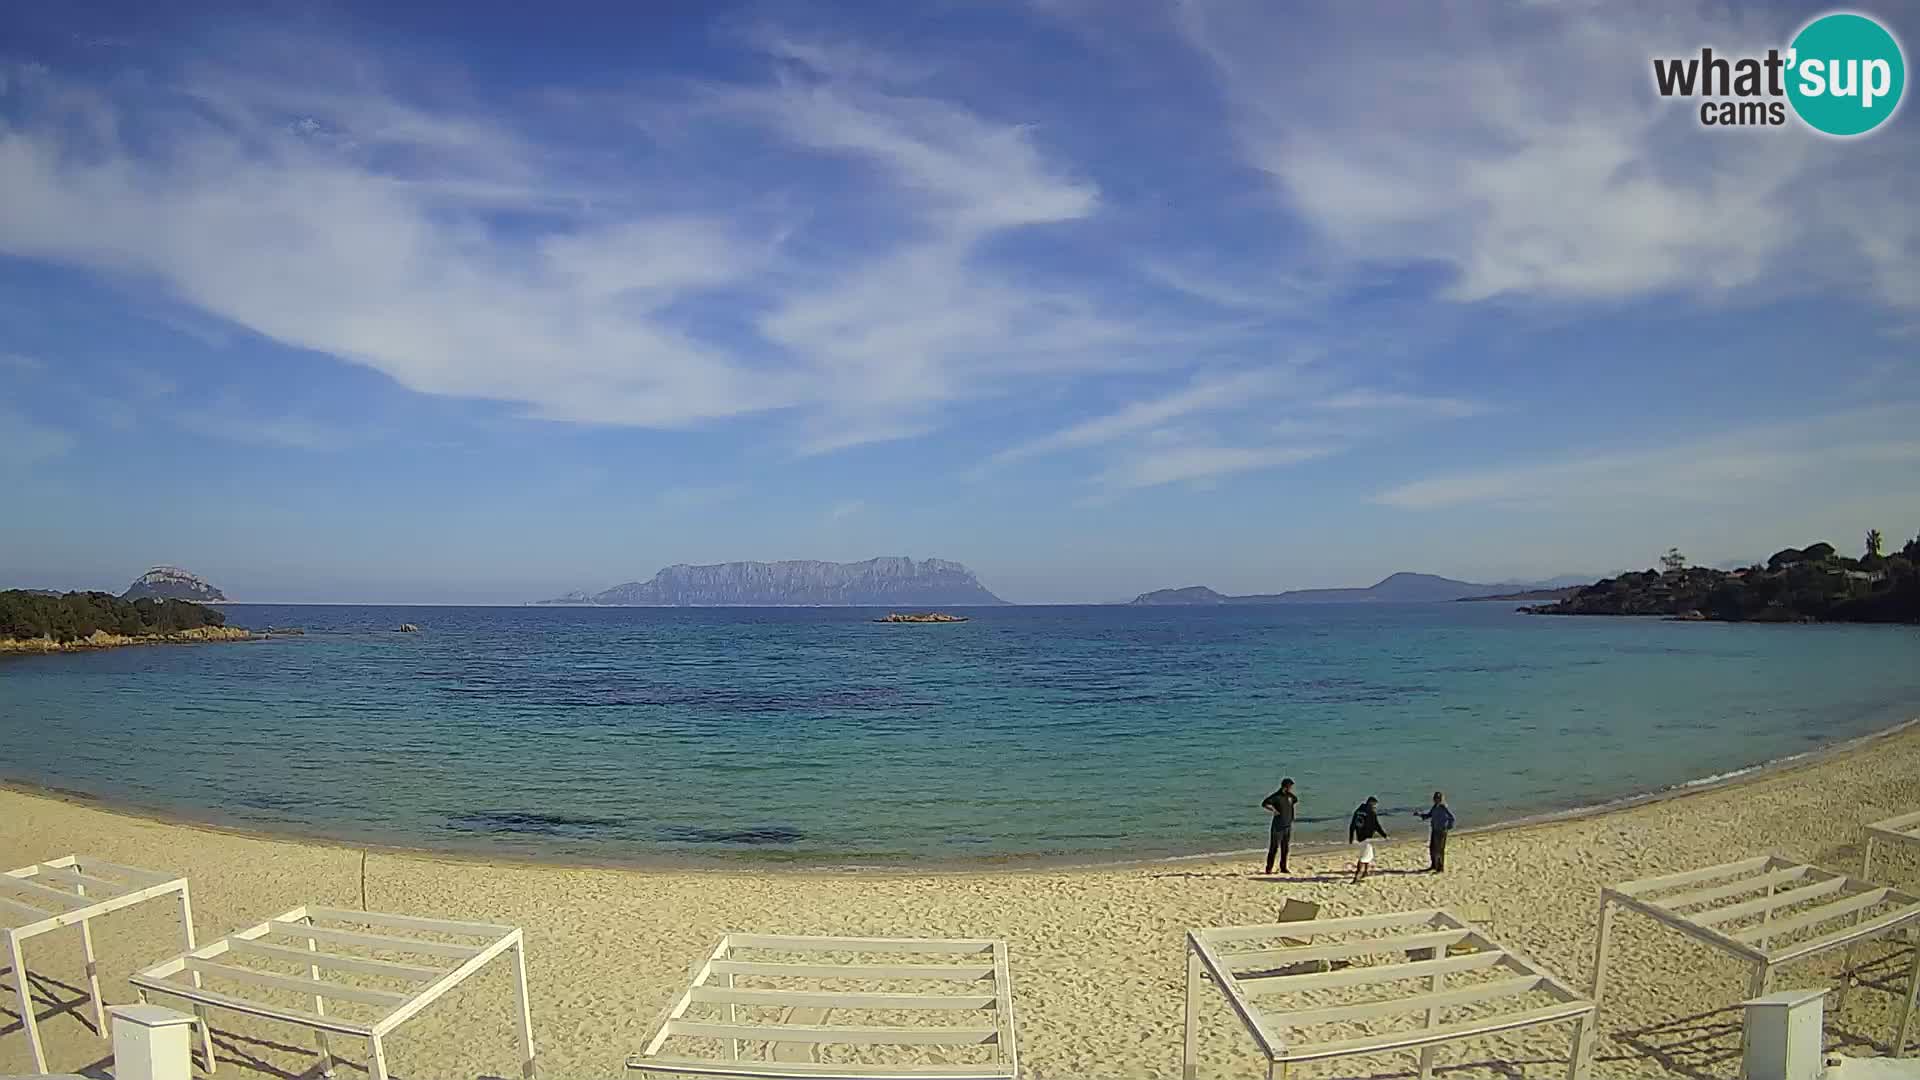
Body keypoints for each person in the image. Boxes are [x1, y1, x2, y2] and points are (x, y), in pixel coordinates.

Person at [1261, 778, 1297, 874]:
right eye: (1290, 786)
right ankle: (1269, 868)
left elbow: (1294, 802)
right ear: (1285, 786)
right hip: (1277, 826)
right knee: (1274, 847)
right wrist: (1274, 810)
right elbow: (1264, 803)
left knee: (1285, 848)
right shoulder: (1276, 796)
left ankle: (1283, 867)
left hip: (1287, 825)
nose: (1291, 788)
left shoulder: (1291, 797)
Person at [1348, 796, 1387, 883]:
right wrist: (1384, 835)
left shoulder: (1358, 811)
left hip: (1360, 837)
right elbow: (1376, 825)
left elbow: (1352, 824)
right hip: (1367, 837)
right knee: (1363, 858)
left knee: (1368, 855)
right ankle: (1356, 878)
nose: (1375, 808)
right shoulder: (1370, 812)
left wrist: (1351, 837)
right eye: (1374, 806)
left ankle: (1366, 872)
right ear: (1371, 804)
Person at [1417, 791, 1455, 873]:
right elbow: (1429, 815)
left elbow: (1452, 818)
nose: (1436, 800)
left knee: (1440, 849)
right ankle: (1433, 865)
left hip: (1441, 831)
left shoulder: (1444, 807)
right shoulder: (1435, 807)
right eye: (1435, 798)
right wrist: (1420, 815)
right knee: (1432, 848)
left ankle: (1440, 868)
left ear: (1441, 799)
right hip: (1434, 830)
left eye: (1438, 798)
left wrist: (1448, 826)